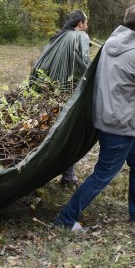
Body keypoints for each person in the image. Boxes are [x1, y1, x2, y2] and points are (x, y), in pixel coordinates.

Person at [54, 4, 135, 233]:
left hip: (110, 117)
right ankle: (66, 219)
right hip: (121, 123)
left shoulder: (110, 44)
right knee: (103, 174)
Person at [30, 10, 91, 185]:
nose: (87, 27)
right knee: (68, 134)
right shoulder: (79, 37)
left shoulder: (56, 38)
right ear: (80, 24)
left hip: (46, 93)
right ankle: (67, 175)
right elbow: (85, 64)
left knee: (47, 132)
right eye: (86, 23)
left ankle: (48, 173)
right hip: (67, 92)